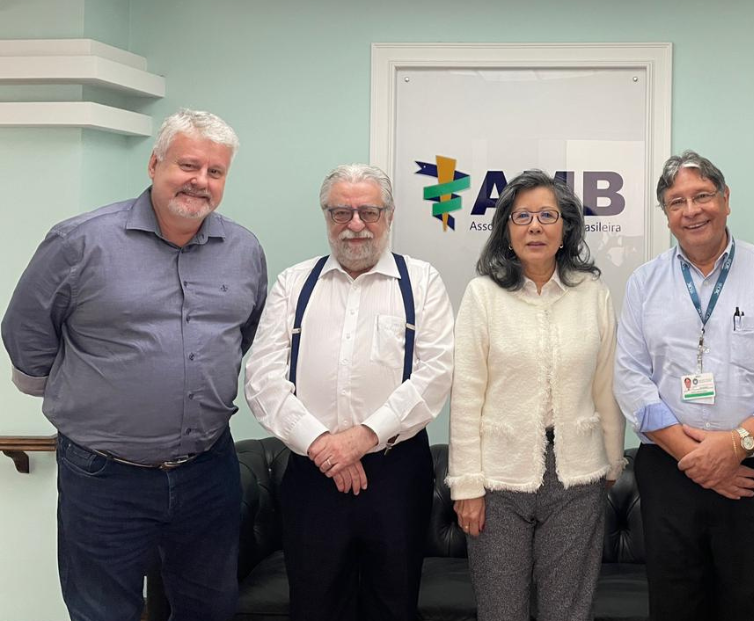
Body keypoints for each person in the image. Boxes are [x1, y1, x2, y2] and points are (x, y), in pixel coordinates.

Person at [2, 109, 266, 621]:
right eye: (188, 165)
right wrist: (81, 391)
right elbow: (26, 330)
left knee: (211, 608)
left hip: (207, 469)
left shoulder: (244, 249)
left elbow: (244, 333)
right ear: (154, 164)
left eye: (215, 171)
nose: (200, 181)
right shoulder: (80, 241)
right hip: (103, 474)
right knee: (103, 611)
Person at [614, 150, 754, 621]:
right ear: (666, 214)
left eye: (702, 196)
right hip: (671, 472)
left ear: (726, 199)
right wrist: (697, 459)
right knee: (676, 607)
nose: (691, 211)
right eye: (677, 202)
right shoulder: (644, 283)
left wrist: (734, 446)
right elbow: (630, 378)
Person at [244, 164, 454, 621]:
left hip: (396, 472)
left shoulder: (421, 282)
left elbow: (436, 373)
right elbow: (261, 377)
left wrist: (362, 438)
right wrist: (322, 444)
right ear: (326, 216)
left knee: (393, 605)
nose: (355, 224)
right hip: (311, 471)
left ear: (389, 215)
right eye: (341, 212)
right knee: (314, 605)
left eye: (368, 212)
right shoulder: (294, 283)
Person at [447, 170, 626, 621]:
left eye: (547, 215)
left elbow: (605, 385)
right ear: (506, 229)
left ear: (566, 228)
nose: (535, 227)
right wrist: (466, 486)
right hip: (498, 480)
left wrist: (612, 461)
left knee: (568, 612)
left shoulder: (593, 294)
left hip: (577, 477)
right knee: (500, 610)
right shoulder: (483, 295)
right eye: (522, 216)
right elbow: (466, 395)